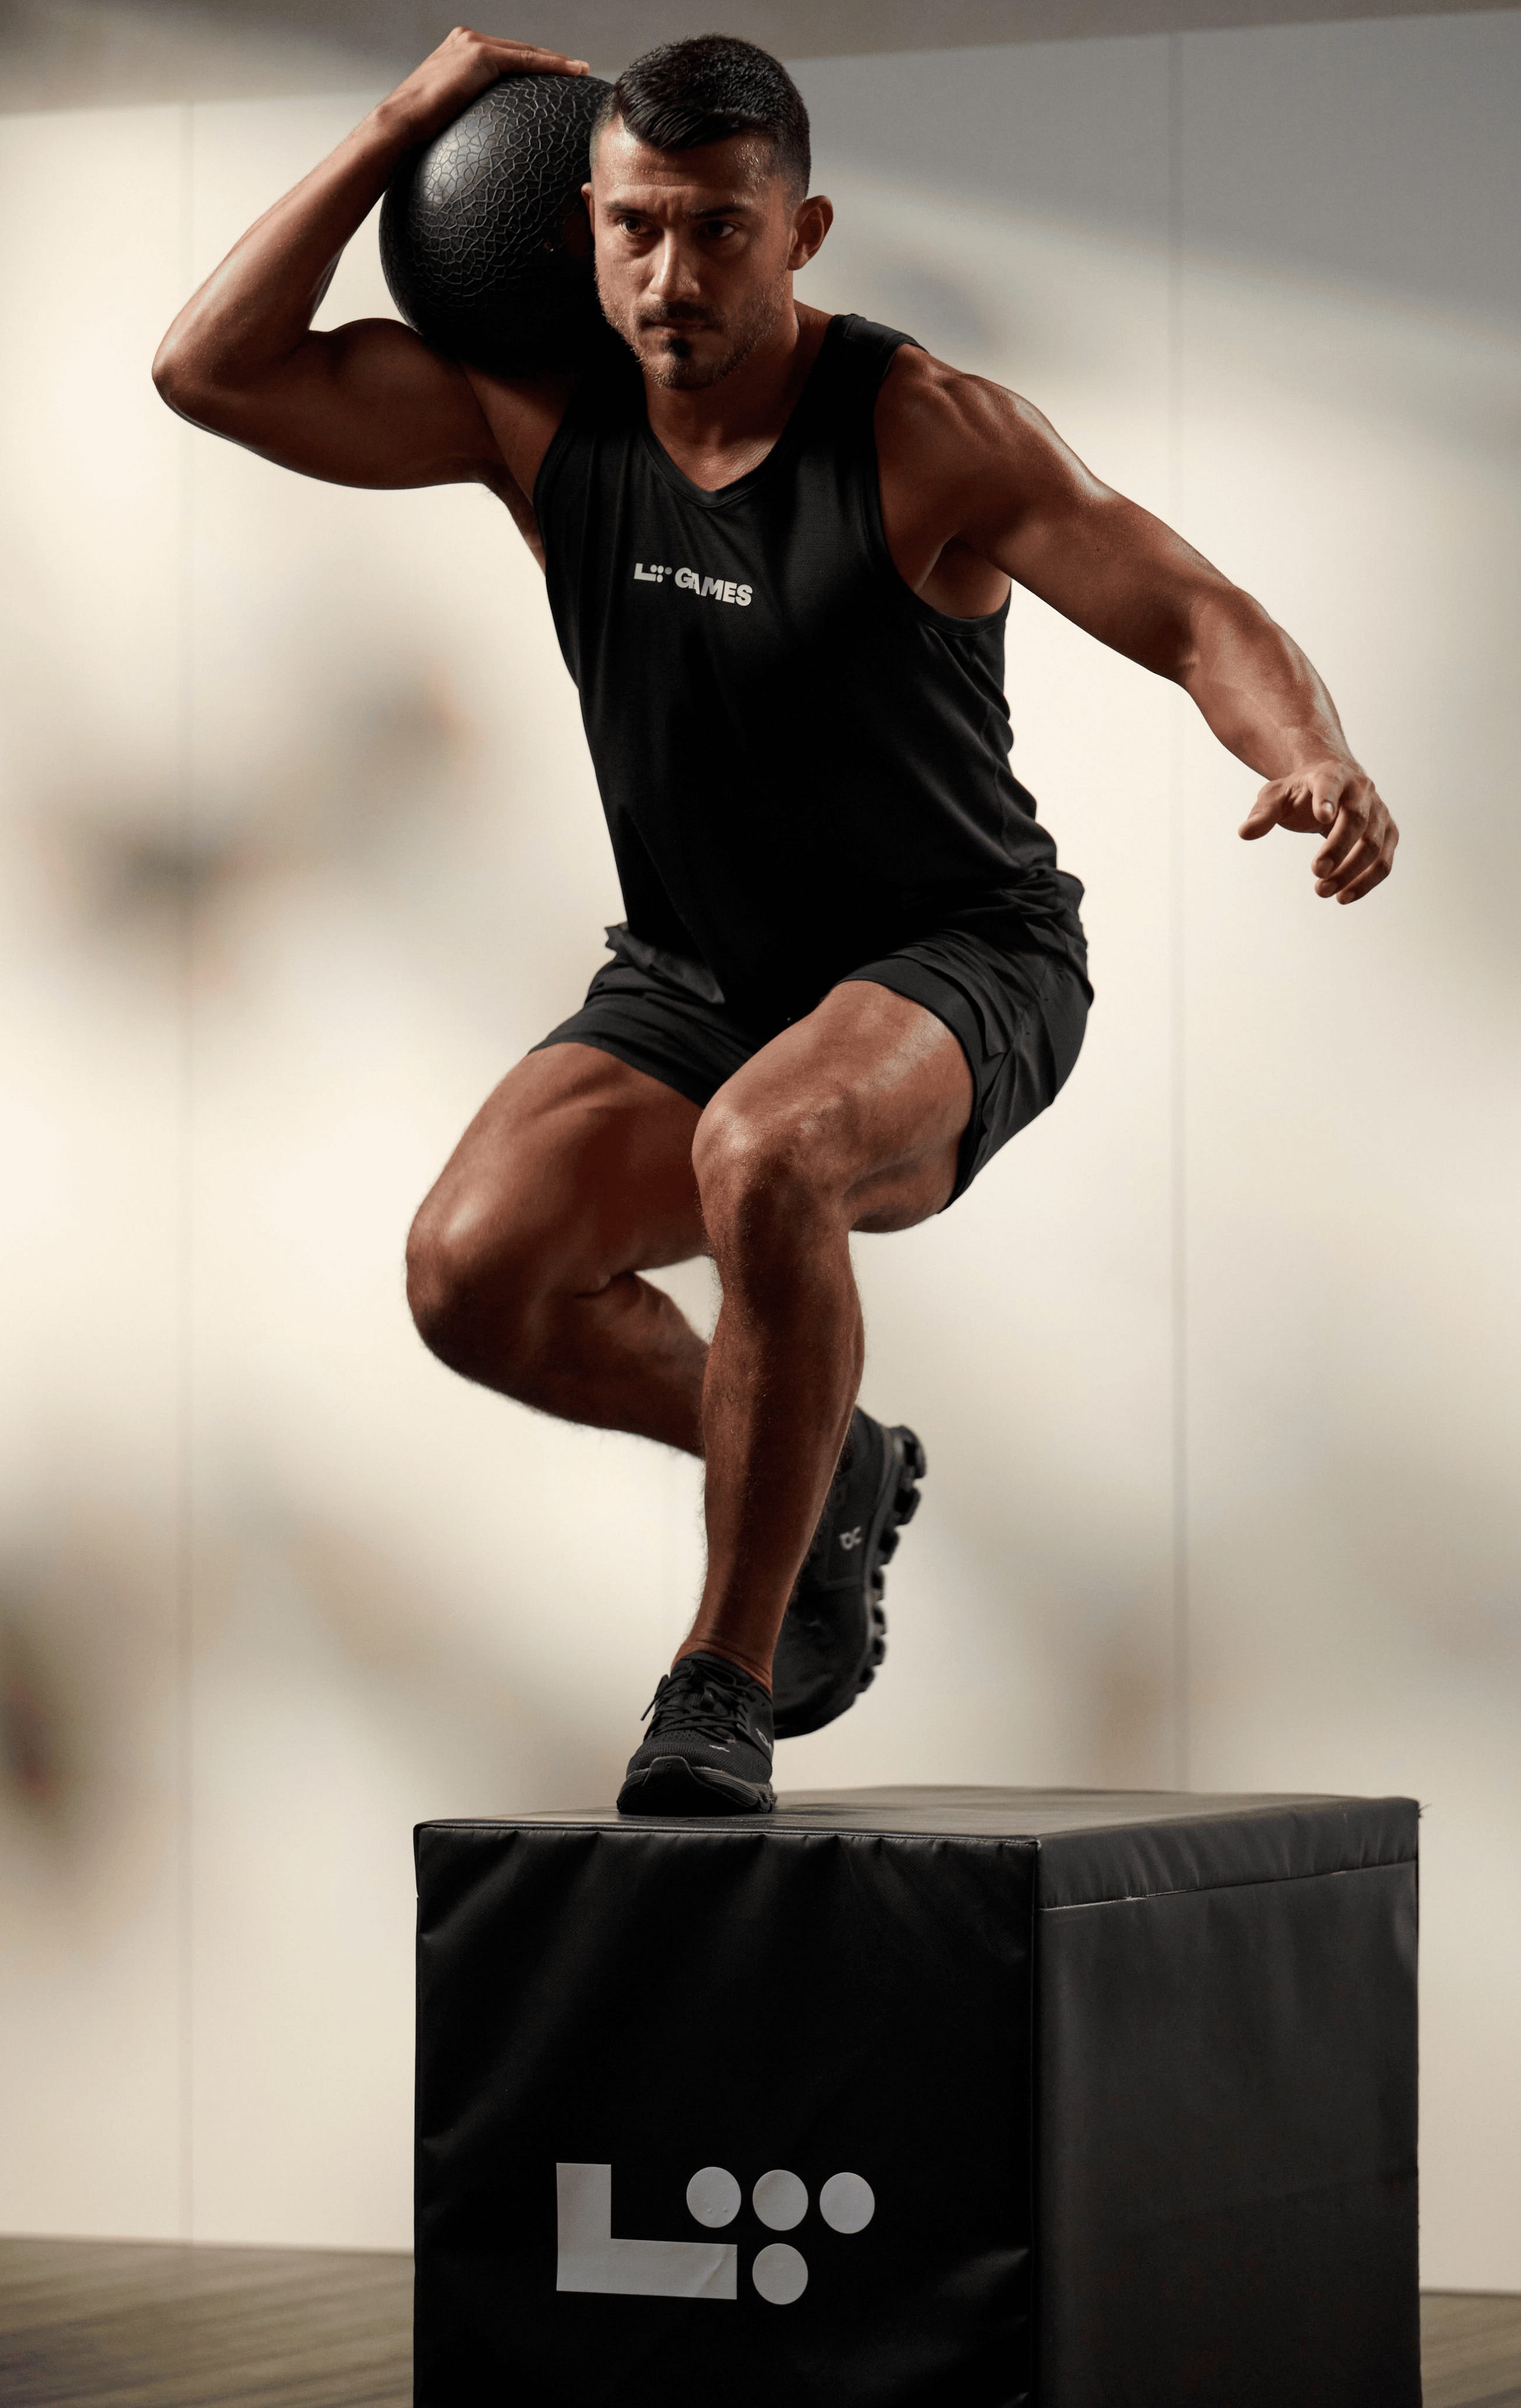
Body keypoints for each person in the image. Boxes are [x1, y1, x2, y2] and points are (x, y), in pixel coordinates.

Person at [153, 29, 1398, 1818]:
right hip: (691, 976)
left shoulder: (924, 430)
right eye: (636, 229)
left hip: (957, 962)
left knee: (766, 1155)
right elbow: (211, 370)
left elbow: (1195, 609)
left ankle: (716, 1684)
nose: (673, 276)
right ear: (582, 230)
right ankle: (839, 1471)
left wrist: (1314, 756)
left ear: (800, 230)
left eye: (720, 230)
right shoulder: (534, 415)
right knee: (472, 1278)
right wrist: (399, 119)